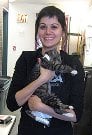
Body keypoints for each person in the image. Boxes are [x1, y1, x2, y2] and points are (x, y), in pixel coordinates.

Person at [6, 6, 85, 135]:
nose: (48, 32)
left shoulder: (72, 63)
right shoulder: (27, 59)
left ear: (63, 32)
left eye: (54, 27)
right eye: (43, 27)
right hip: (28, 131)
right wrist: (41, 79)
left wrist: (41, 107)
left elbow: (76, 116)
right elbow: (12, 104)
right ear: (38, 31)